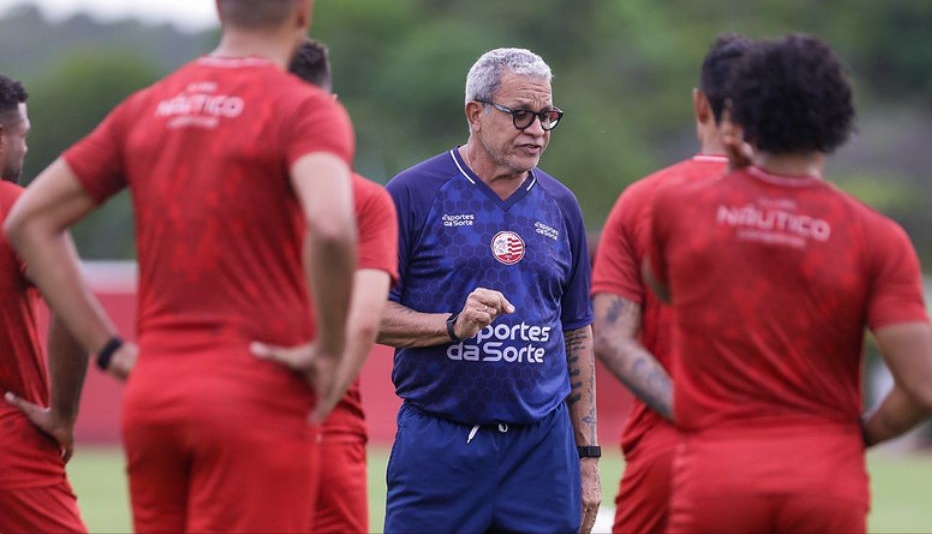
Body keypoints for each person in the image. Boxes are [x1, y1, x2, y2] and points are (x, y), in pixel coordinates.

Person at [4, 0, 357, 533]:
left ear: (220, 5)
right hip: (255, 391)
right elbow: (330, 222)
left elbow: (30, 219)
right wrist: (326, 351)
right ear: (304, 8)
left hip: (153, 396)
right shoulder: (304, 107)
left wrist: (112, 353)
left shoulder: (149, 106)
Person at [644, 34, 932, 533]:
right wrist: (856, 438)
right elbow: (923, 390)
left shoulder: (680, 210)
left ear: (742, 116)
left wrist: (733, 185)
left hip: (718, 475)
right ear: (837, 122)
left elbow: (667, 288)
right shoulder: (876, 238)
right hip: (826, 477)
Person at [378, 47, 600, 534]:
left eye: (547, 116)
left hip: (541, 452)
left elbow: (576, 332)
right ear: (475, 114)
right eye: (521, 115)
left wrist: (587, 459)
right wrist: (452, 325)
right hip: (440, 444)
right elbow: (367, 314)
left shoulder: (562, 205)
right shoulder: (413, 194)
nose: (537, 130)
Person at [591, 34, 750, 534]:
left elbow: (611, 336)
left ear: (699, 103)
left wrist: (692, 411)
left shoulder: (643, 200)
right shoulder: (813, 212)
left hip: (671, 448)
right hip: (779, 447)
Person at [252, 39, 398, 534]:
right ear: (329, 109)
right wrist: (313, 412)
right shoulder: (365, 201)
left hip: (229, 417)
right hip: (325, 421)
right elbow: (362, 326)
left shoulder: (217, 192)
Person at [0, 75, 87, 533]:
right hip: (9, 439)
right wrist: (63, 416)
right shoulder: (23, 213)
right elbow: (74, 312)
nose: (25, 150)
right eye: (22, 136)